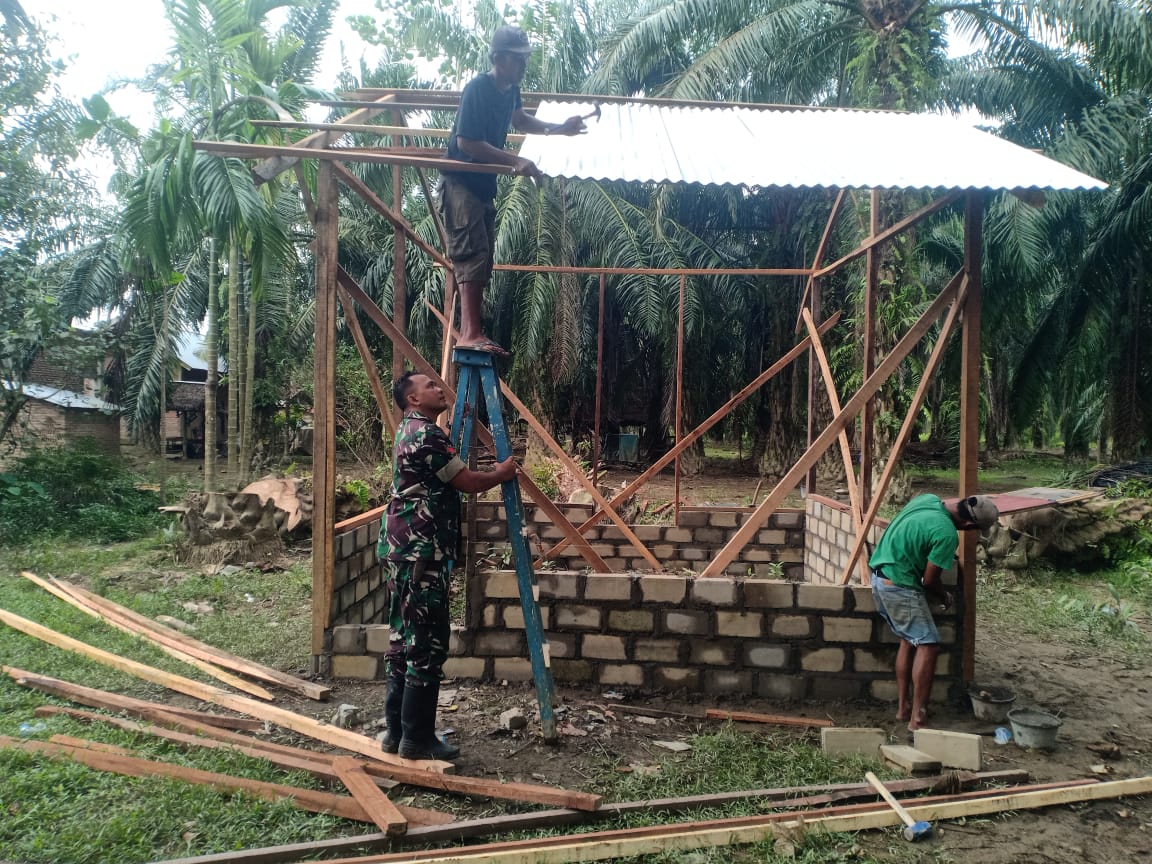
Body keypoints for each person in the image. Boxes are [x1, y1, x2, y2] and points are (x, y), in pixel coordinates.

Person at [377, 371, 517, 760]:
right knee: (427, 642)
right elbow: (468, 482)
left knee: (403, 637)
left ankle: (395, 732)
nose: (440, 388)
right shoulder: (427, 434)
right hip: (422, 552)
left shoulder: (408, 430)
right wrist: (501, 473)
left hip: (402, 549)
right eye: (430, 386)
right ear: (413, 399)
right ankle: (417, 739)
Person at [440, 24, 587, 356]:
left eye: (524, 60)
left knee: (484, 255)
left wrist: (559, 129)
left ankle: (474, 330)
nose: (523, 65)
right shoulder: (478, 88)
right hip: (460, 183)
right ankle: (469, 333)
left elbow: (520, 121)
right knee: (471, 253)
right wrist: (514, 160)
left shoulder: (510, 91)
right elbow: (466, 142)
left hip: (482, 187)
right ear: (499, 58)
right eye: (517, 59)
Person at [869, 493, 999, 732]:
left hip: (879, 579)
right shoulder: (947, 534)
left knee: (909, 640)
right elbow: (930, 580)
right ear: (969, 526)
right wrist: (944, 596)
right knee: (929, 645)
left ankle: (903, 708)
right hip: (899, 586)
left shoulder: (926, 500)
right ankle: (917, 717)